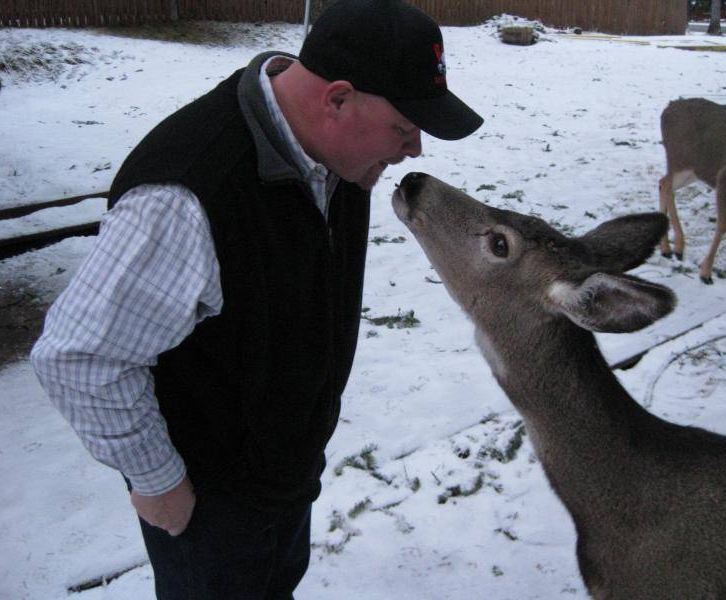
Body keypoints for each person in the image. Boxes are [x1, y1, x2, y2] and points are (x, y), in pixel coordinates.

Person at [30, 0, 482, 598]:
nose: (415, 150)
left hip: (283, 476)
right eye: (404, 128)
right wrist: (160, 484)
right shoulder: (189, 196)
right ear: (338, 99)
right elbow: (78, 357)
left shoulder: (336, 157)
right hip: (211, 504)